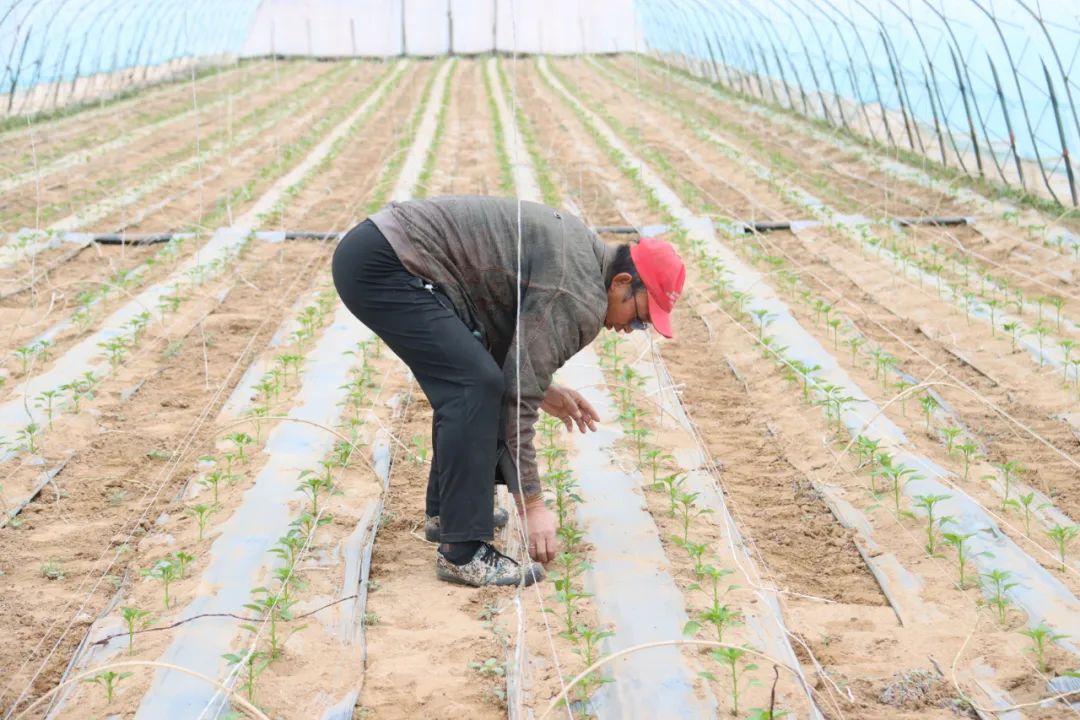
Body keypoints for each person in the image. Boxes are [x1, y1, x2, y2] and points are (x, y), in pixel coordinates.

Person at [331, 195, 685, 587]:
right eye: (639, 318)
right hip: (385, 265)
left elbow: (516, 365)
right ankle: (461, 553)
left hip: (380, 252)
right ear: (621, 282)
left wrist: (545, 388)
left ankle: (447, 515)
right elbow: (517, 397)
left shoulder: (583, 257)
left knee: (473, 377)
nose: (631, 330)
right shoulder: (579, 295)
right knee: (473, 384)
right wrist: (532, 505)